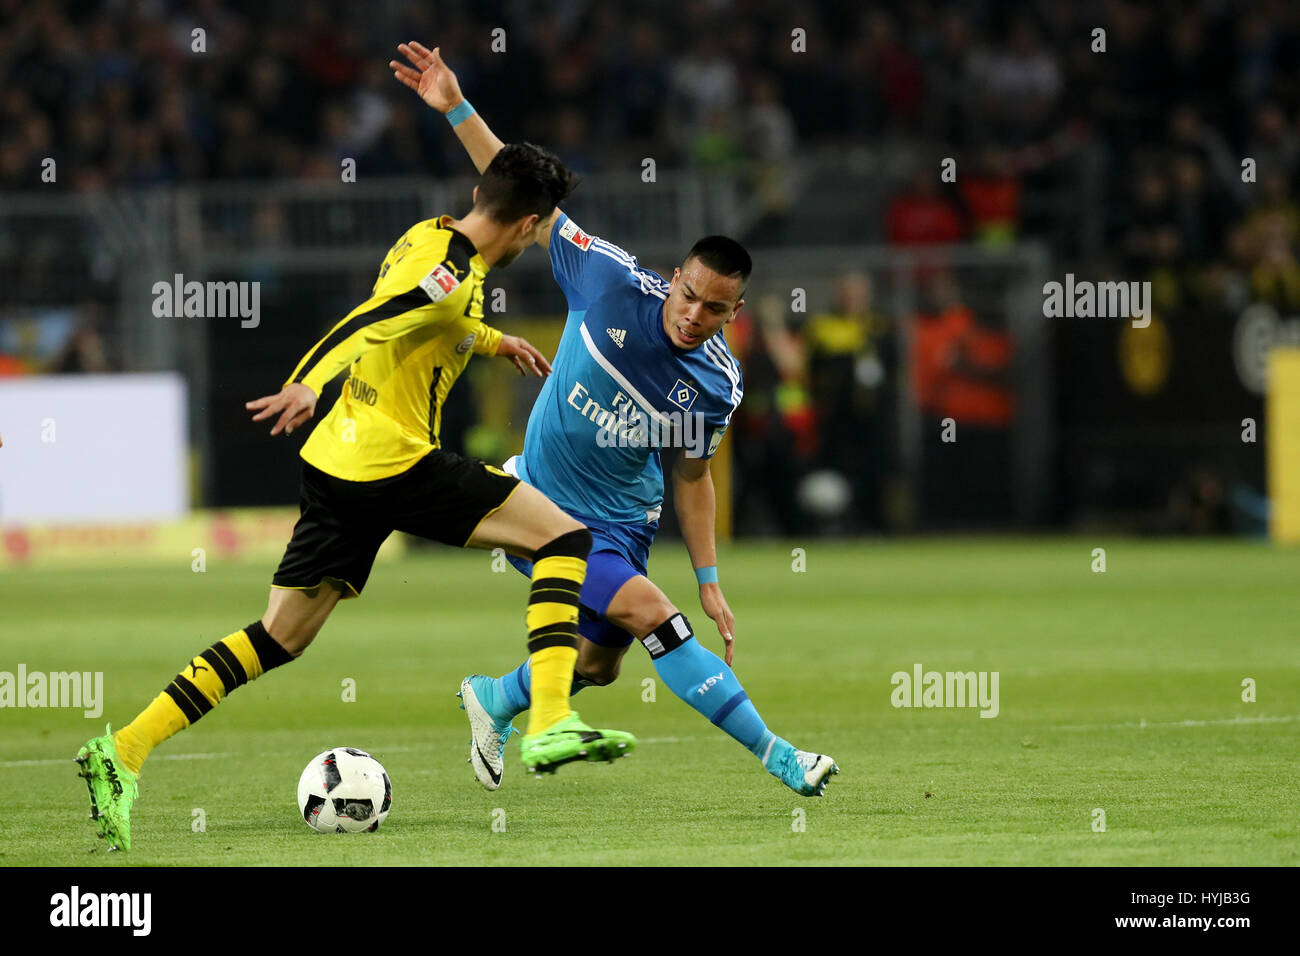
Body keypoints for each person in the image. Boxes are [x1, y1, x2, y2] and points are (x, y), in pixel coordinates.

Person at [75, 141, 636, 851]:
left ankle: (121, 752)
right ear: (529, 224)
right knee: (564, 539)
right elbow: (370, 320)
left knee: (279, 636)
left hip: (337, 462)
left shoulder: (429, 235)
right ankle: (551, 717)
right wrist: (308, 379)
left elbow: (419, 316)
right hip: (392, 462)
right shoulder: (450, 273)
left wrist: (493, 342)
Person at [391, 42, 839, 796]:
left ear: (734, 313)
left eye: (715, 308)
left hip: (626, 522)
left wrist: (710, 578)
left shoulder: (716, 384)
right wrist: (456, 105)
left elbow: (693, 478)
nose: (695, 315)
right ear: (674, 278)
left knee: (597, 663)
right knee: (656, 619)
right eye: (689, 294)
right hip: (539, 504)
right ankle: (783, 758)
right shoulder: (603, 276)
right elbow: (520, 187)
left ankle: (494, 697)